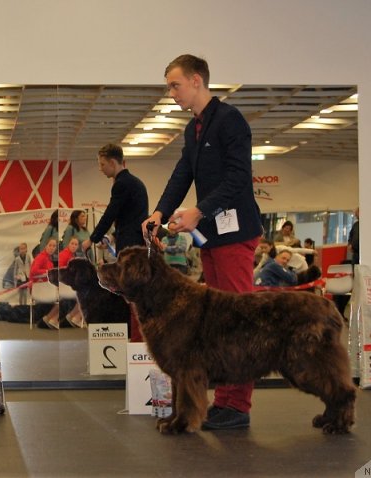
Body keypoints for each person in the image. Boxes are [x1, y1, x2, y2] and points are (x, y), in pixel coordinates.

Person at [143, 54, 263, 431]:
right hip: (211, 235)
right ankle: (225, 401)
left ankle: (236, 405)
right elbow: (183, 173)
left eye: (175, 85)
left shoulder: (230, 120)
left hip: (235, 233)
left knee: (236, 319)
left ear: (197, 81)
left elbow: (240, 178)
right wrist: (160, 212)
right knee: (218, 322)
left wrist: (200, 210)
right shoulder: (193, 129)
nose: (171, 93)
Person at [81, 144, 148, 255]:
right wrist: (111, 237)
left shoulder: (122, 184)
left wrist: (92, 239)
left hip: (129, 245)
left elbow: (110, 214)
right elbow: (130, 219)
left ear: (112, 163)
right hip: (137, 242)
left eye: (102, 164)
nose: (100, 169)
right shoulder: (134, 182)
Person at [30, 237, 59, 329]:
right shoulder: (41, 257)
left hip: (45, 288)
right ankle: (51, 319)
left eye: (54, 246)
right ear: (45, 246)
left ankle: (52, 319)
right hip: (40, 288)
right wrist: (48, 271)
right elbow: (34, 271)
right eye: (50, 245)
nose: (52, 248)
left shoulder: (49, 260)